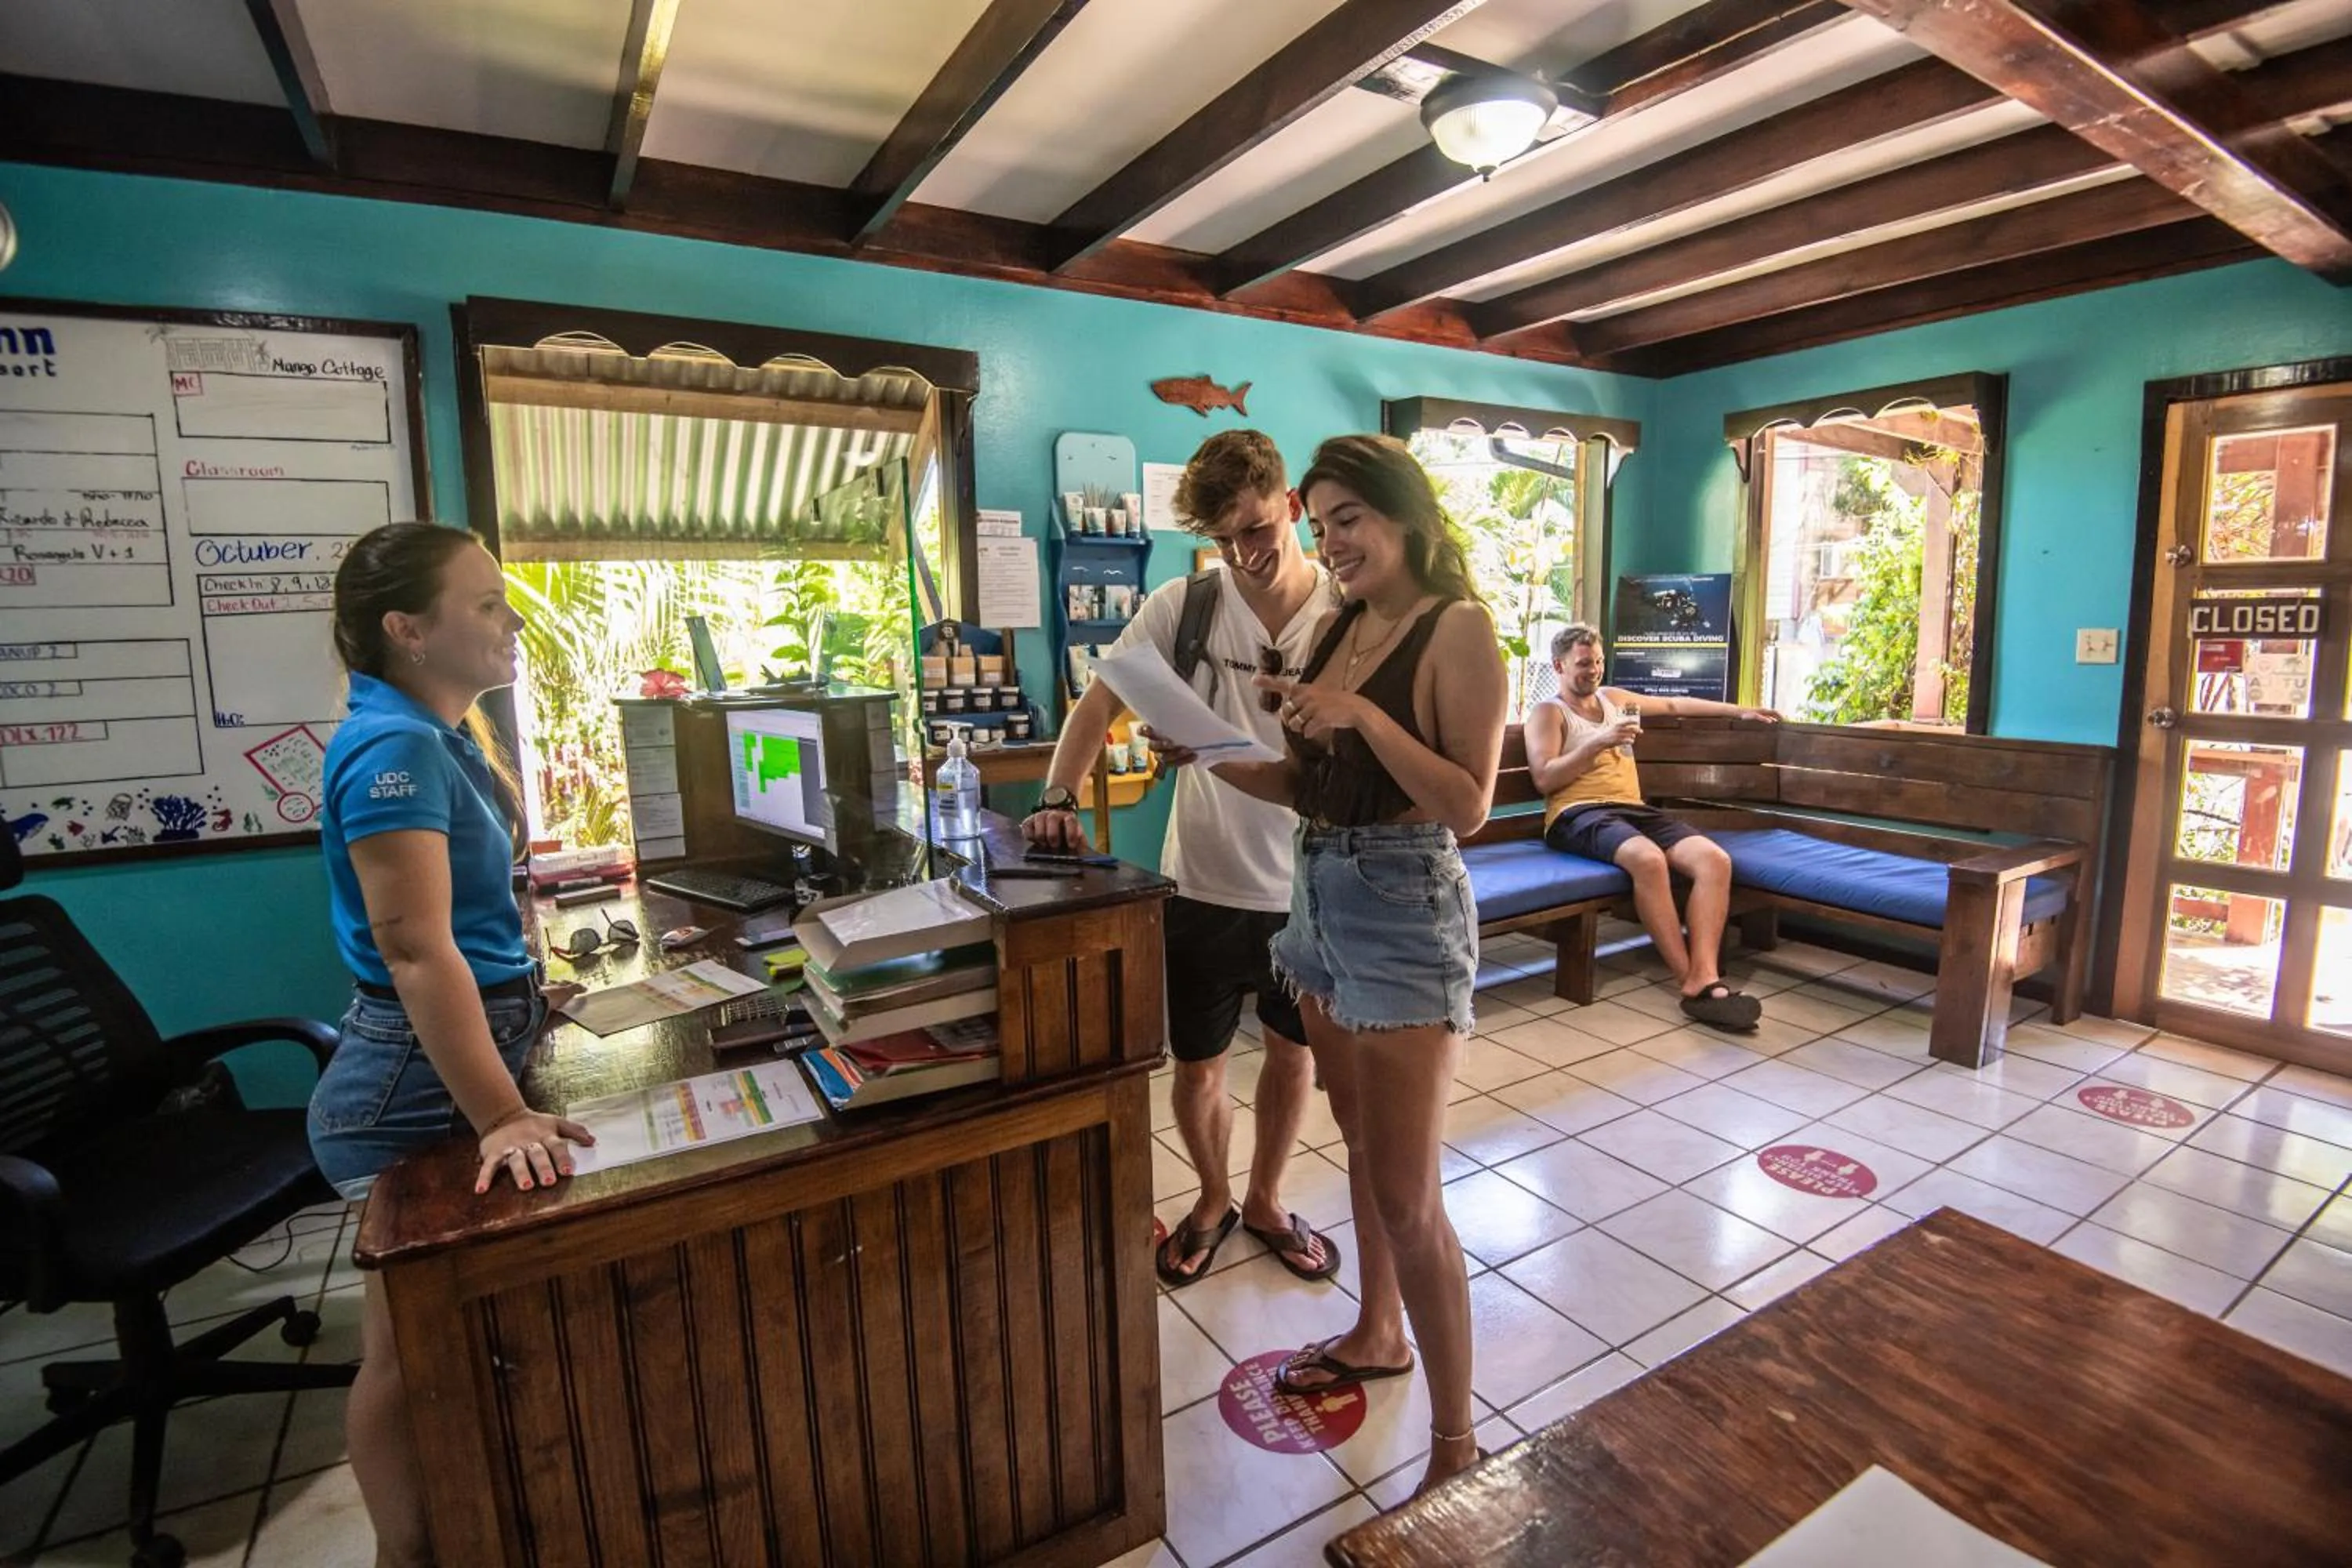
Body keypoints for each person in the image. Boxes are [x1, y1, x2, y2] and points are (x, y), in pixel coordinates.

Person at [1161, 434, 1504, 1495]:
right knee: (1361, 1150)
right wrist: (1215, 752)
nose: (1331, 542)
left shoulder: (1459, 629)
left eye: (1346, 518)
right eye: (1321, 524)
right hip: (1317, 898)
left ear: (1406, 514)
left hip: (1404, 906)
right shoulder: (1346, 628)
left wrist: (1358, 713)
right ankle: (1376, 1333)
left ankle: (1457, 1446)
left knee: (1408, 1199)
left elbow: (1469, 805)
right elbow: (1310, 789)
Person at [307, 521, 593, 1567]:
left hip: (452, 1058)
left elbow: (464, 925)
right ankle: (406, 1553)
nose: (509, 619)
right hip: (410, 1090)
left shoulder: (437, 731)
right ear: (407, 630)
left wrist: (529, 987)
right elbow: (417, 952)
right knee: (402, 1354)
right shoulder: (394, 747)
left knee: (439, 1345)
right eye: (483, 603)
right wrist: (504, 1114)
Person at [1024, 430, 1340, 1288]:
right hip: (1202, 879)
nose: (1247, 554)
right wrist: (1056, 798)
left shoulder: (1348, 610)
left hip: (1309, 888)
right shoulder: (1186, 605)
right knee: (1198, 1062)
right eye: (1227, 539)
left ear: (1294, 506)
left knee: (1292, 1052)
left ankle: (1268, 1198)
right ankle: (1212, 1199)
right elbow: (1098, 703)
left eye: (1259, 529)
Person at [1524, 622, 1780, 1031]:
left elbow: (1676, 704)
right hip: (1577, 814)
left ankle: (1704, 973)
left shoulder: (1615, 699)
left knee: (1714, 861)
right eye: (1584, 664)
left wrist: (1740, 711)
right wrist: (1599, 742)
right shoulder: (1548, 713)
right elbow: (1545, 778)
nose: (1594, 671)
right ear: (1559, 665)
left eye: (1599, 662)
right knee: (1648, 859)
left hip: (1631, 809)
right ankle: (1693, 984)